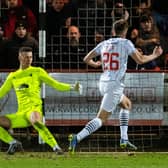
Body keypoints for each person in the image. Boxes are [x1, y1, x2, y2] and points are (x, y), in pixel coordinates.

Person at [68, 19, 163, 154]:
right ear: (125, 31)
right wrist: (154, 55)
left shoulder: (104, 43)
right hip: (114, 85)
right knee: (101, 119)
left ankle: (124, 139)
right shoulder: (126, 43)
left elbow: (86, 59)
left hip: (103, 82)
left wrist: (96, 64)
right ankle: (76, 138)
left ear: (113, 31)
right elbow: (140, 60)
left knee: (126, 104)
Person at [0, 46, 82, 155]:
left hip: (33, 110)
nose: (28, 60)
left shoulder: (38, 71)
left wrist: (72, 87)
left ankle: (56, 148)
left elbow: (55, 84)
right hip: (21, 114)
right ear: (19, 57)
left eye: (30, 57)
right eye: (26, 57)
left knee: (36, 121)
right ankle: (13, 142)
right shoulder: (13, 76)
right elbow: (1, 92)